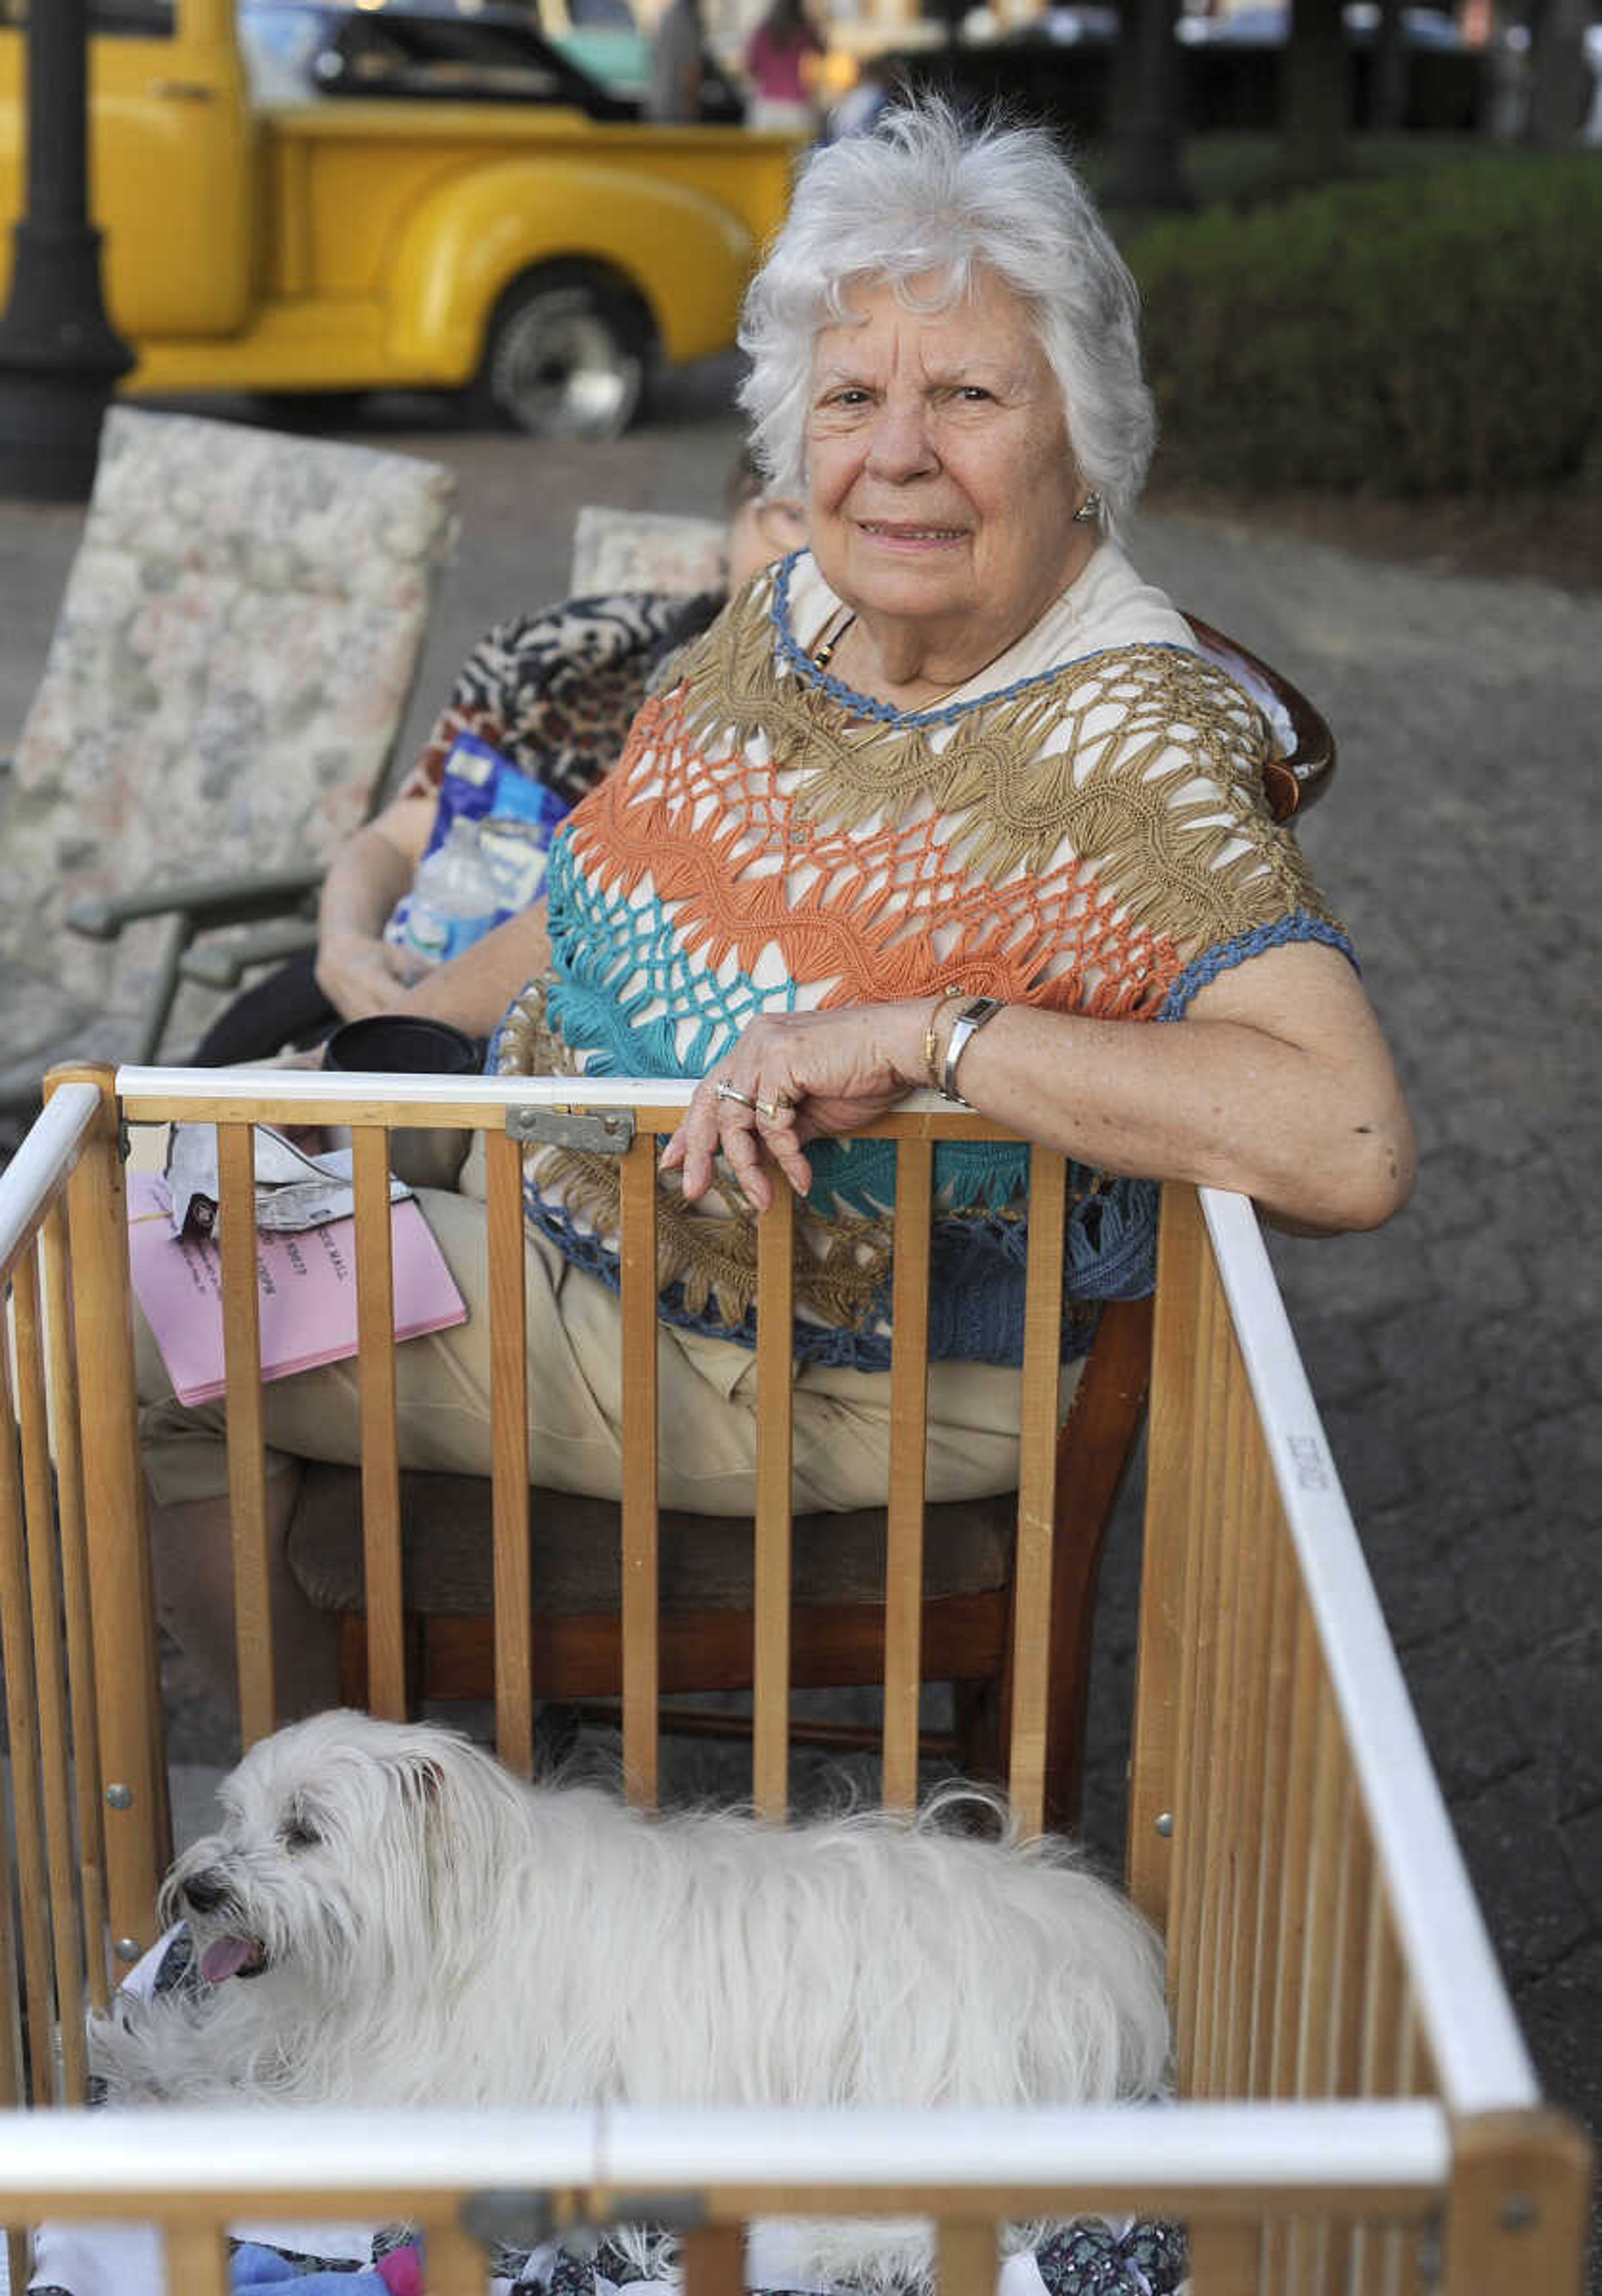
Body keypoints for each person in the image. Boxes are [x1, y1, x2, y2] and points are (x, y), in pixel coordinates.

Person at [136, 102, 1414, 1714]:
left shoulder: (1123, 734)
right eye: (852, 397)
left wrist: (934, 1034)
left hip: (787, 1346)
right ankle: (339, 1788)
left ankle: (310, 1841)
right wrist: (374, 1057)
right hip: (557, 1182)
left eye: (968, 395)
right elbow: (603, 895)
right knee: (147, 1177)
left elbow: (1349, 1144)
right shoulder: (801, 602)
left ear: (1083, 435)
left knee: (102, 1315)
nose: (896, 455)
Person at [189, 460, 806, 1065]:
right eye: (789, 513)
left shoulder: (843, 746)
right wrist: (347, 948)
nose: (808, 558)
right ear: (734, 517)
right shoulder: (561, 660)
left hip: (566, 1064)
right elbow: (400, 840)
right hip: (401, 992)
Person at [742, 0, 824, 131]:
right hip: (797, 106)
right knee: (798, 151)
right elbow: (823, 50)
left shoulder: (762, 32)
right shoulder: (804, 30)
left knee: (763, 151)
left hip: (766, 105)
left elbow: (751, 66)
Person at [645, 0, 707, 122]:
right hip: (676, 110)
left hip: (658, 104)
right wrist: (694, 108)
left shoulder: (668, 16)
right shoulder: (688, 19)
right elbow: (690, 71)